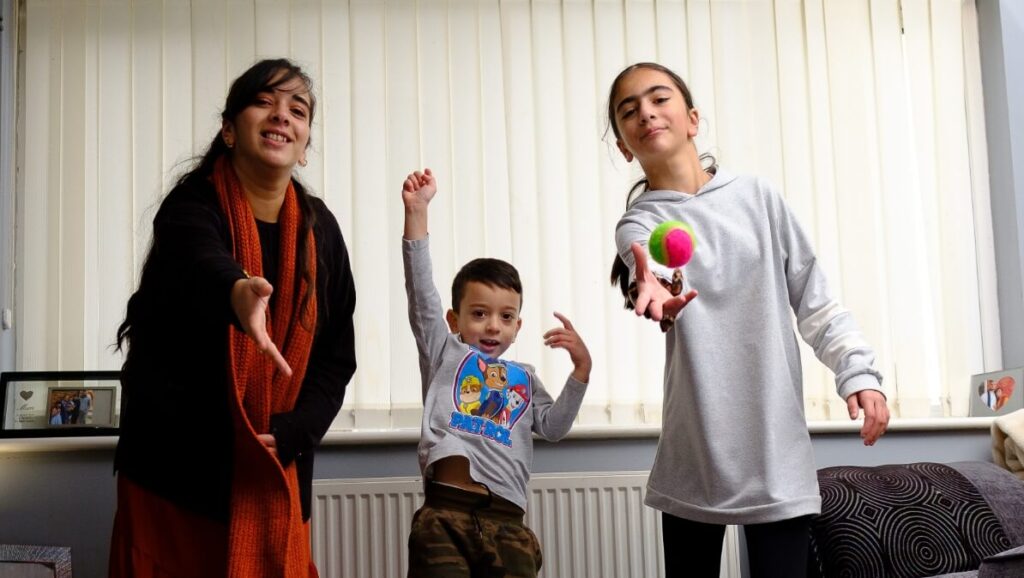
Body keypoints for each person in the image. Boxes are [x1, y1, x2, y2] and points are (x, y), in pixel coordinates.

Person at [605, 62, 890, 577]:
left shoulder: (758, 197)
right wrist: (646, 282)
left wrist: (858, 372)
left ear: (692, 119)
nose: (645, 112)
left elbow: (816, 300)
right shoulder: (642, 219)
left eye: (658, 98)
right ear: (626, 145)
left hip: (775, 449)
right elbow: (641, 257)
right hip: (694, 455)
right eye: (629, 110)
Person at [109, 58, 357, 578]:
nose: (281, 116)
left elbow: (336, 357)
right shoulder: (189, 206)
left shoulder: (323, 232)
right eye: (263, 102)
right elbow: (201, 258)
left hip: (274, 467)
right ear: (228, 129)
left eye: (298, 109)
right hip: (176, 473)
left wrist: (296, 431)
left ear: (305, 144)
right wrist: (239, 292)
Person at [400, 168, 591, 577]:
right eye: (480, 314)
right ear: (455, 319)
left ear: (518, 326)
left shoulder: (523, 376)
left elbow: (554, 427)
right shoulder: (444, 352)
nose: (492, 326)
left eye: (506, 317)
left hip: (508, 521)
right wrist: (417, 212)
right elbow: (421, 294)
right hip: (446, 513)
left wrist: (581, 371)